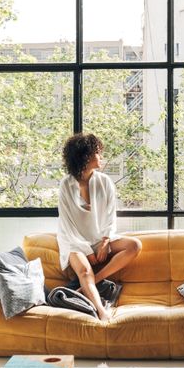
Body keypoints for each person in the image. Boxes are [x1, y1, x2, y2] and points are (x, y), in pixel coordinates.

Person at [57, 133, 142, 321]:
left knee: (134, 245)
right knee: (84, 270)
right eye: (97, 153)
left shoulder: (104, 182)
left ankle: (92, 283)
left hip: (99, 237)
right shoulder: (66, 185)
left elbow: (111, 216)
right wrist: (87, 251)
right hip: (73, 241)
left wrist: (105, 241)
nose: (101, 157)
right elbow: (67, 225)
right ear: (85, 156)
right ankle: (101, 312)